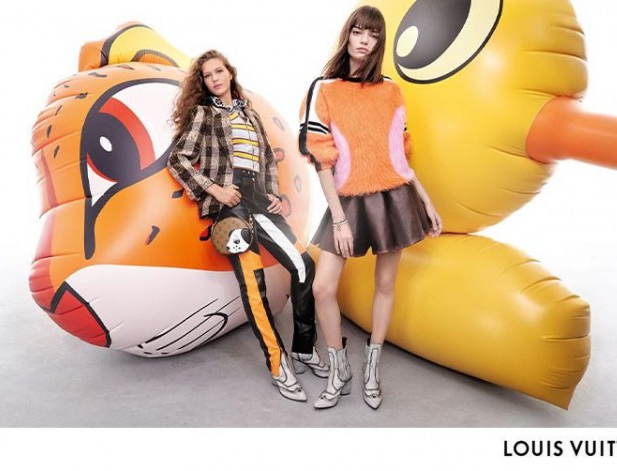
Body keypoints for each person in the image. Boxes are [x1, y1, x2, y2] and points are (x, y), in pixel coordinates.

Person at [299, 6, 443, 410]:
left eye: (373, 35)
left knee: (385, 283)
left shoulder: (390, 90)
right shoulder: (323, 88)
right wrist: (339, 220)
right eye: (359, 32)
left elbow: (398, 155)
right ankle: (339, 367)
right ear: (347, 34)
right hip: (346, 200)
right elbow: (321, 159)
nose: (364, 41)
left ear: (380, 42)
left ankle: (372, 367)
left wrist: (425, 200)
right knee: (323, 287)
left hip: (394, 196)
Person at [168, 50, 327, 402]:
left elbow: (266, 158)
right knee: (254, 286)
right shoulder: (204, 114)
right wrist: (215, 190)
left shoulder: (250, 114)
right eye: (208, 75)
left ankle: (303, 348)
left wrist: (272, 193)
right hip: (229, 204)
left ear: (230, 73)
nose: (215, 79)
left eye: (219, 71)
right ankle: (278, 364)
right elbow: (177, 158)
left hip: (257, 198)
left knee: (303, 264)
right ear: (203, 82)